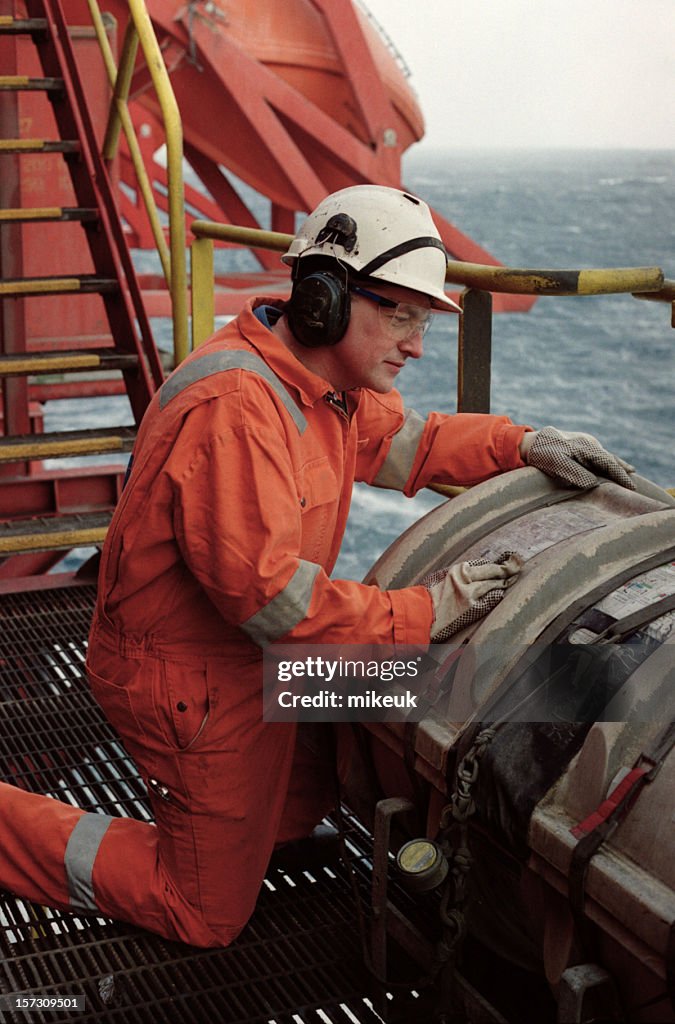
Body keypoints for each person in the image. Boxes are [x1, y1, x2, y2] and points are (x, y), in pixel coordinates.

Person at [0, 185, 635, 948]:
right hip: (192, 681)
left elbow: (409, 443)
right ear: (324, 302)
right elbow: (271, 603)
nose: (416, 344)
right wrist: (429, 610)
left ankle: (271, 815)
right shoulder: (236, 408)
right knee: (203, 910)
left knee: (353, 759)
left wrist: (521, 443)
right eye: (399, 315)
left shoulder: (319, 387)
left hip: (254, 659)